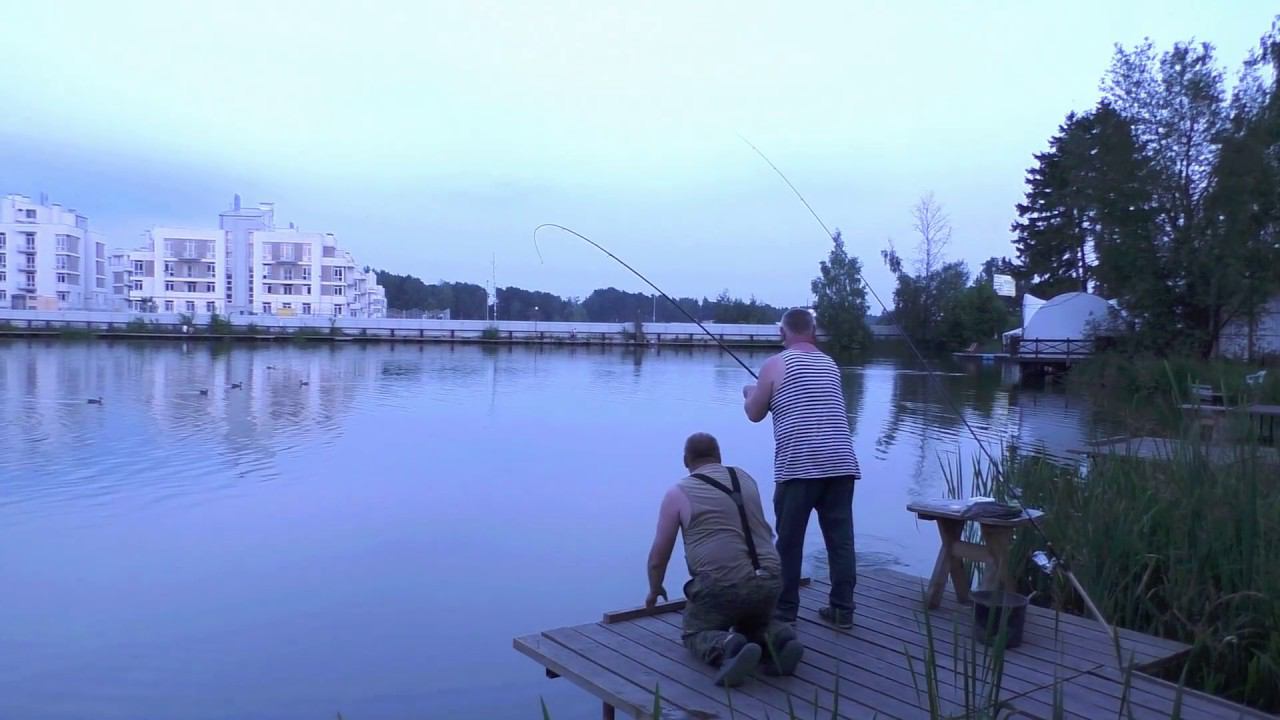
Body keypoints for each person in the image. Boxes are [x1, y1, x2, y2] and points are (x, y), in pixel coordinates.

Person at [645, 433, 804, 687]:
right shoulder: (745, 478)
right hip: (770, 579)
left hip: (721, 586)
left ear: (686, 460)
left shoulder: (678, 493)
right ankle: (781, 639)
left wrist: (654, 589)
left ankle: (727, 646)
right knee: (753, 623)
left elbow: (658, 557)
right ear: (719, 456)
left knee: (694, 632)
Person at [742, 308, 861, 628]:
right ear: (813, 330)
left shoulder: (775, 364)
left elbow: (754, 413)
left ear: (783, 332)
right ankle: (842, 609)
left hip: (799, 466)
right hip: (841, 463)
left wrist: (749, 393)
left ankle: (784, 612)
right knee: (841, 539)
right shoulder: (830, 364)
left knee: (790, 541)